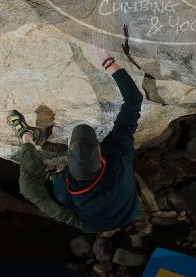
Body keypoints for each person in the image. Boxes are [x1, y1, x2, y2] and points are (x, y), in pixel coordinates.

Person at [7, 37, 143, 233]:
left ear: (67, 164)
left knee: (30, 189)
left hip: (95, 223)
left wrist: (108, 60)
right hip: (128, 209)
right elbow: (134, 100)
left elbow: (133, 100)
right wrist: (108, 62)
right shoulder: (118, 155)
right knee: (31, 189)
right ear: (99, 149)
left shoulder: (64, 189)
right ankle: (28, 137)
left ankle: (27, 137)